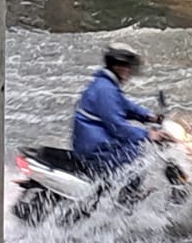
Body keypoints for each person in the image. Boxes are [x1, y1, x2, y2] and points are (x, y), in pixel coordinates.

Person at [71, 43, 167, 174]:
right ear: (118, 67)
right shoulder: (105, 90)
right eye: (128, 67)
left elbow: (125, 105)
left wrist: (150, 117)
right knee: (142, 154)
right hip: (98, 152)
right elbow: (117, 126)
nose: (130, 72)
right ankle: (126, 188)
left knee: (138, 147)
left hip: (96, 145)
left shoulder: (106, 85)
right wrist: (148, 135)